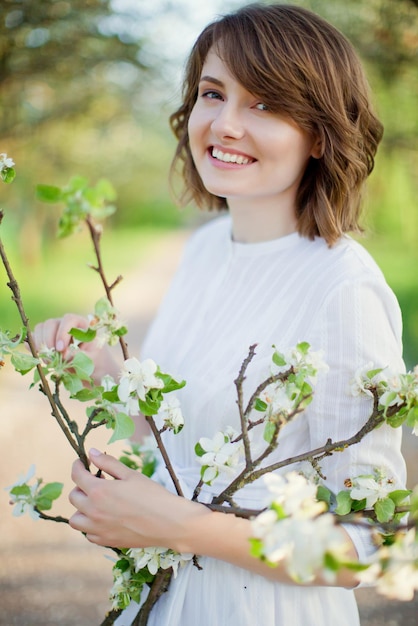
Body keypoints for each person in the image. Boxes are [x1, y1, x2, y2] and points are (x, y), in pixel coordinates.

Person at [33, 4, 407, 625]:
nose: (226, 123)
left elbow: (362, 545)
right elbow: (196, 436)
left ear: (319, 134)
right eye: (214, 93)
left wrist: (183, 527)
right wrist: (105, 375)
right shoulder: (206, 248)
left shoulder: (343, 287)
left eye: (265, 104)